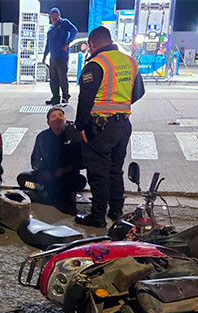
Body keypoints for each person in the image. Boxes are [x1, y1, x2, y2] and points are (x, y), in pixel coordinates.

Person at [74, 26, 144, 228]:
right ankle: (116, 212)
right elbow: (139, 92)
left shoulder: (96, 63)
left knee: (98, 172)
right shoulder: (130, 61)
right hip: (123, 125)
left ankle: (97, 217)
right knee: (115, 170)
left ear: (93, 44)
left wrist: (82, 128)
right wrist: (120, 105)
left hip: (100, 127)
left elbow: (85, 100)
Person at [17, 106, 86, 215]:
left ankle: (48, 191)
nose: (57, 118)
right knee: (22, 179)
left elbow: (83, 161)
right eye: (53, 116)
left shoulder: (75, 134)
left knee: (80, 182)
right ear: (48, 122)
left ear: (65, 118)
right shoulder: (42, 137)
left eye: (60, 115)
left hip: (67, 175)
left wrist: (67, 169)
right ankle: (44, 189)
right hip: (46, 176)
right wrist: (46, 173)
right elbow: (35, 161)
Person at [42, 7, 77, 105]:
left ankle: (66, 96)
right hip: (53, 57)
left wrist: (67, 43)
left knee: (62, 78)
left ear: (59, 15)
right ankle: (55, 97)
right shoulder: (51, 29)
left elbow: (74, 31)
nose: (54, 17)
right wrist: (45, 56)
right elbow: (48, 43)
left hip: (62, 56)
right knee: (53, 79)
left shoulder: (64, 23)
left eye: (56, 15)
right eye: (53, 16)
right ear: (50, 17)